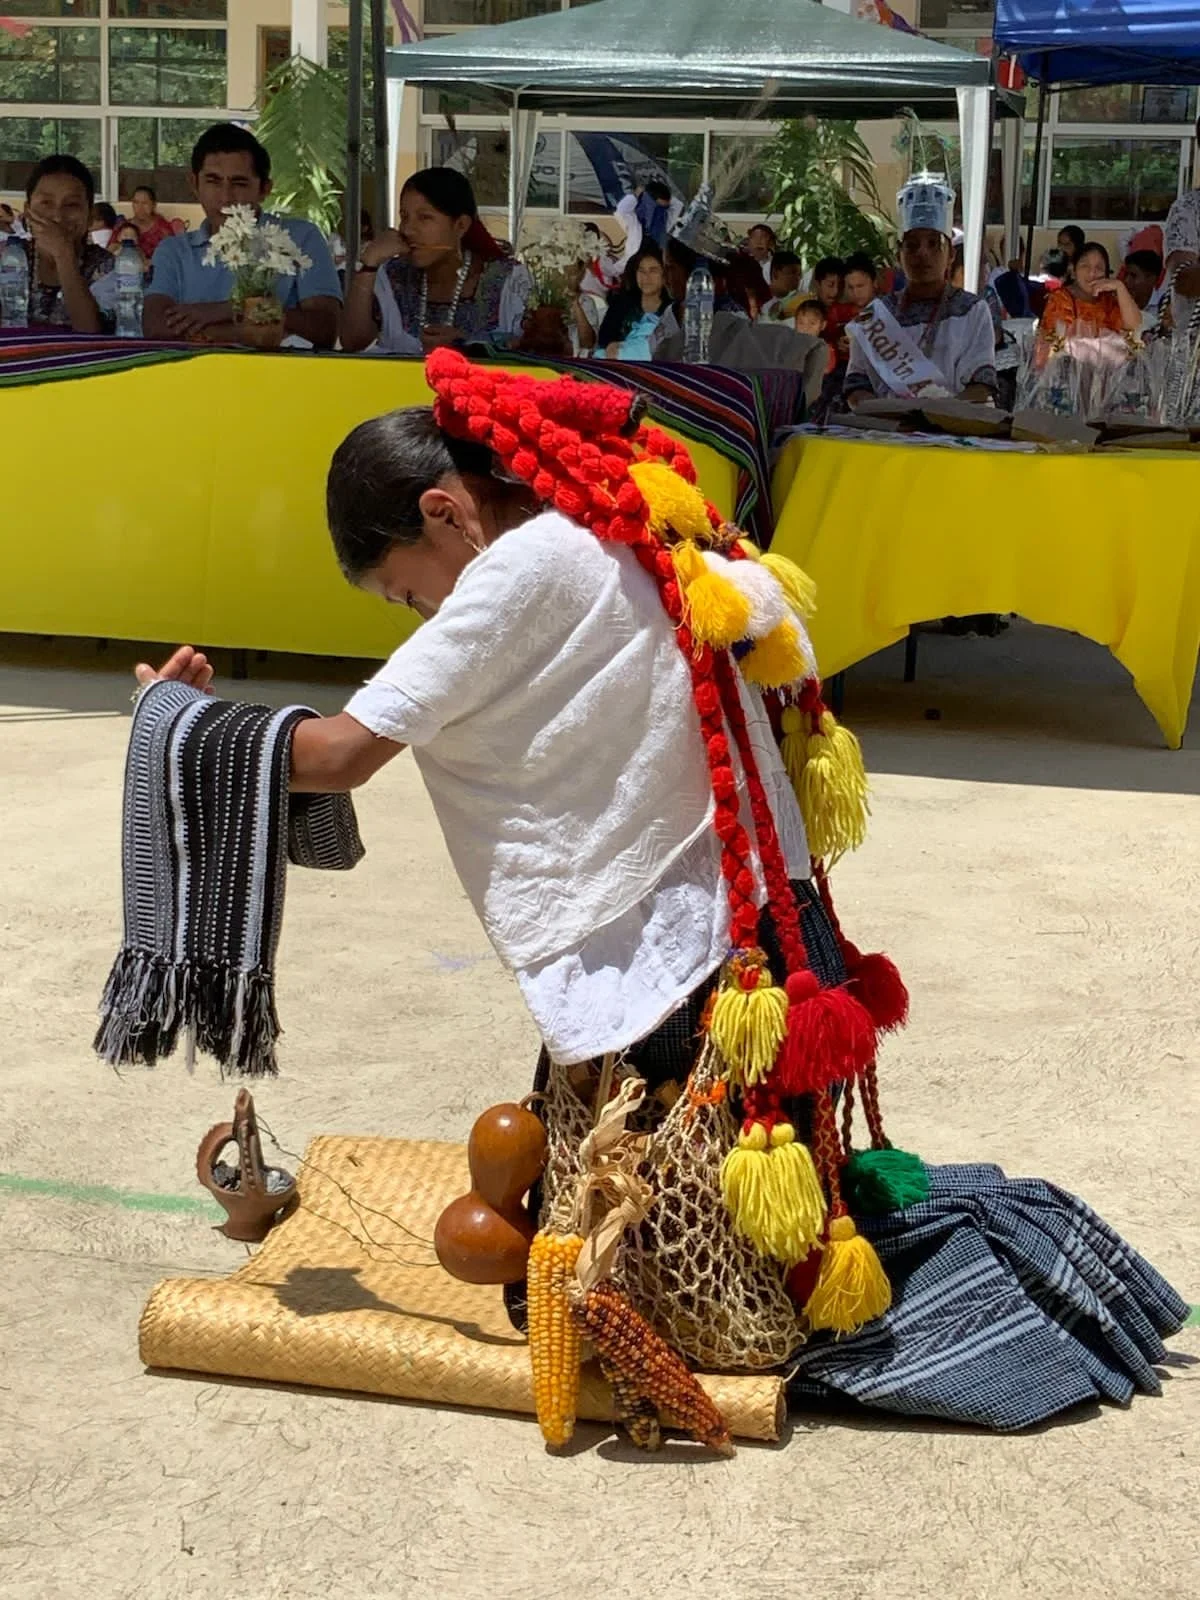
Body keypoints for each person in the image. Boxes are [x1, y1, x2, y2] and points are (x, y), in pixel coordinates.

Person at [133, 349, 1186, 1435]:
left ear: (447, 511)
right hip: (750, 922)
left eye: (409, 590)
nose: (419, 615)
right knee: (720, 1192)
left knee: (678, 1264)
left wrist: (170, 728)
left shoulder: (515, 570)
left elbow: (343, 753)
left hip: (691, 961)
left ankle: (840, 1301)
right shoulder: (607, 521)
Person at [143, 123, 341, 350]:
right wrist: (260, 328)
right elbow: (156, 328)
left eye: (239, 183)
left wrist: (227, 311)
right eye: (213, 181)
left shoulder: (300, 237)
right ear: (194, 183)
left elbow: (325, 329)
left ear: (264, 189)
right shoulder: (174, 251)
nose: (226, 197)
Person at [341, 167, 531, 357]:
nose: (407, 230)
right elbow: (352, 343)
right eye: (404, 216)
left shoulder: (508, 280)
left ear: (460, 225)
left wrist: (467, 345)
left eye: (424, 218)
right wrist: (369, 263)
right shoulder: (392, 275)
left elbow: (533, 352)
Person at [844, 174, 998, 408]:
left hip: (953, 430)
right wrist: (889, 413)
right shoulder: (875, 315)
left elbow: (982, 385)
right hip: (888, 432)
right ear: (899, 255)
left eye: (934, 243)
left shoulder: (972, 311)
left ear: (951, 255)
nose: (923, 253)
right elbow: (856, 386)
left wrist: (938, 413)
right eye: (912, 245)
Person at [19, 155, 117, 333]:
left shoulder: (108, 269)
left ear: (89, 215)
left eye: (71, 205)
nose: (57, 216)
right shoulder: (8, 257)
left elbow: (91, 336)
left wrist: (63, 255)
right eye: (46, 203)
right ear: (27, 211)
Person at [1038, 241, 1141, 342]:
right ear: (1073, 271)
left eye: (1099, 267)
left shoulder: (1109, 300)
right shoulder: (1060, 298)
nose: (1092, 273)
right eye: (1085, 266)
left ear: (1106, 274)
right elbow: (1060, 344)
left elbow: (1134, 327)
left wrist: (1120, 287)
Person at [596, 245, 677, 360]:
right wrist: (612, 345)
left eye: (653, 271)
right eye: (641, 271)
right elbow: (604, 338)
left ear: (664, 275)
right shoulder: (622, 303)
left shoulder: (672, 308)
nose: (646, 277)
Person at [123, 185, 174, 261]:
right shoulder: (123, 227)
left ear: (153, 205)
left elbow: (172, 256)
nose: (140, 207)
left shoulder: (163, 229)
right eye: (136, 202)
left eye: (145, 203)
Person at [1123, 248, 1165, 333]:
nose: (1126, 280)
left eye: (1133, 276)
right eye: (1126, 275)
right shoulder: (1120, 305)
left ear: (1151, 279)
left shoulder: (1164, 310)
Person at [763, 250, 802, 318]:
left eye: (799, 274)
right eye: (792, 272)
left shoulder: (802, 301)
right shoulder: (758, 300)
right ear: (775, 274)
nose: (797, 278)